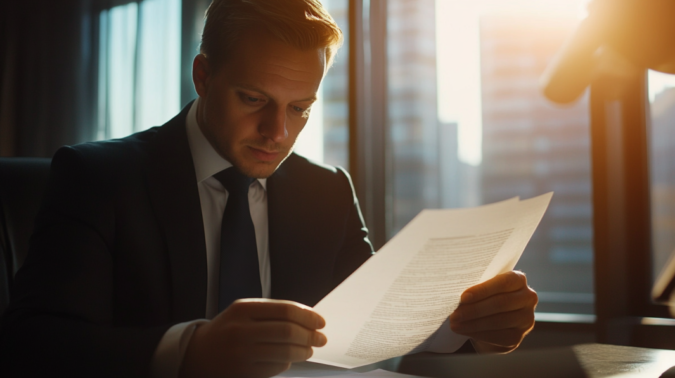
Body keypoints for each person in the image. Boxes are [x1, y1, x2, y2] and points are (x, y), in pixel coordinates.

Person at [0, 0, 538, 377]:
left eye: (300, 108)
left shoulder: (326, 191)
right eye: (254, 99)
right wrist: (189, 352)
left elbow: (378, 323)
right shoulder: (97, 177)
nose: (277, 133)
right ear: (203, 76)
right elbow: (33, 344)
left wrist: (470, 331)